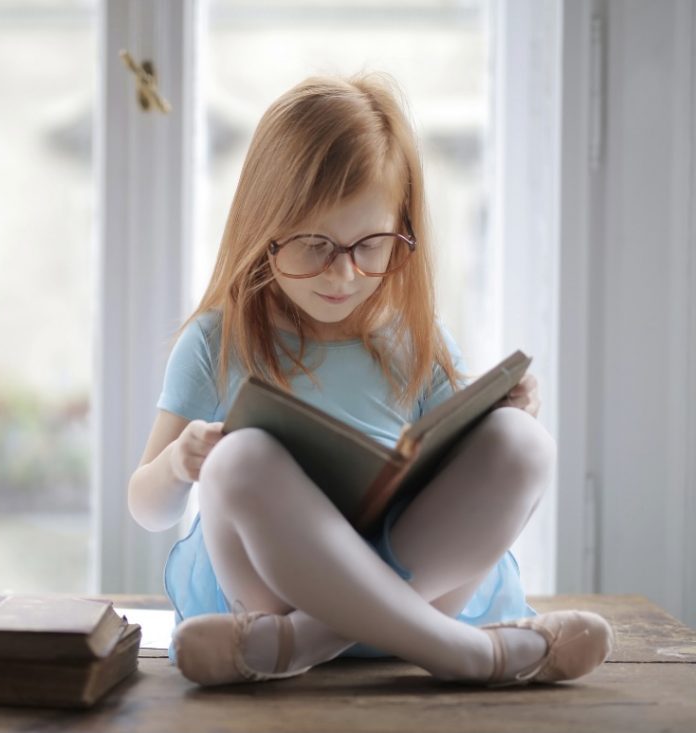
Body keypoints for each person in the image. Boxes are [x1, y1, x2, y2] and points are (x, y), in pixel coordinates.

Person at [127, 72, 613, 688]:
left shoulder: (414, 335)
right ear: (262, 229)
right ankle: (470, 655)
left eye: (372, 246)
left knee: (523, 442)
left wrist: (505, 411)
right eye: (313, 245)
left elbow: (466, 463)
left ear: (402, 233)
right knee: (237, 459)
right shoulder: (217, 341)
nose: (345, 275)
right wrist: (178, 464)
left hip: (398, 592)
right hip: (269, 592)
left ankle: (307, 642)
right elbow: (145, 508)